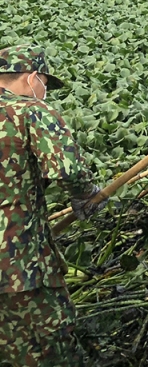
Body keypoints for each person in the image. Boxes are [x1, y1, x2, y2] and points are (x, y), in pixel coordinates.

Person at [0, 45, 103, 367]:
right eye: (44, 83)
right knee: (48, 340)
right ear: (32, 78)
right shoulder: (31, 112)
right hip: (16, 258)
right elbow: (67, 169)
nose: (44, 91)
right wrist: (85, 194)